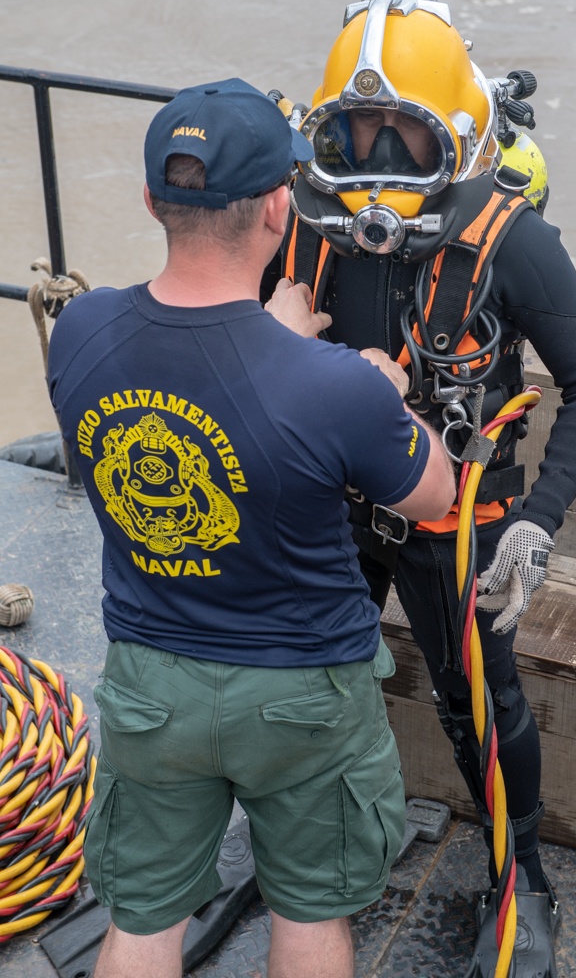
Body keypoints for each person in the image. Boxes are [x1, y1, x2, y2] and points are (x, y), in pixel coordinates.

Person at [47, 78, 456, 978]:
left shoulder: (77, 330)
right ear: (280, 208)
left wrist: (273, 342)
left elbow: (189, 378)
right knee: (310, 915)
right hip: (302, 695)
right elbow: (433, 494)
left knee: (144, 919)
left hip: (151, 688)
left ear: (151, 197)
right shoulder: (329, 384)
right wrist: (383, 394)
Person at [262, 0, 576, 978]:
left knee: (482, 708)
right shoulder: (298, 230)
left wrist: (538, 522)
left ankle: (524, 883)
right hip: (333, 505)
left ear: (455, 144)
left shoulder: (514, 243)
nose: (376, 170)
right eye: (353, 135)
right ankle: (304, 854)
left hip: (460, 517)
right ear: (317, 135)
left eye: (403, 142)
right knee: (305, 682)